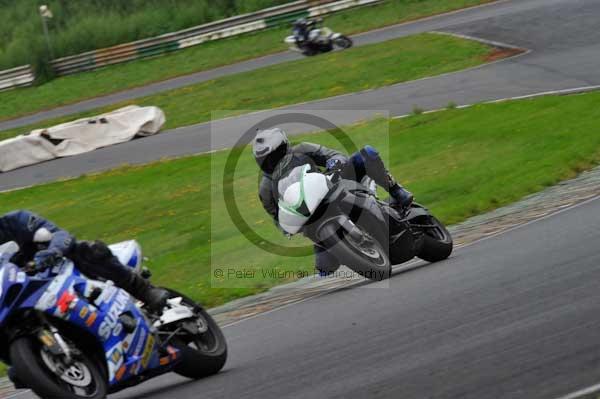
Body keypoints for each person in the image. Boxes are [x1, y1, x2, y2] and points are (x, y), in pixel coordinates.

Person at [252, 128, 413, 274]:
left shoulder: (302, 150)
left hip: (332, 186)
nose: (272, 162)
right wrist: (287, 227)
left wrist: (335, 162)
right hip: (311, 220)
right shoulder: (265, 189)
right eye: (265, 160)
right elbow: (277, 217)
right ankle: (351, 250)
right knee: (324, 267)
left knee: (366, 154)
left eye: (275, 155)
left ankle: (397, 190)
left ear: (285, 146)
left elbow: (333, 155)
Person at [0, 210, 169, 309]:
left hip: (55, 270)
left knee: (85, 250)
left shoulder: (15, 221)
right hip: (23, 296)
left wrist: (53, 251)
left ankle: (142, 289)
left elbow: (60, 234)